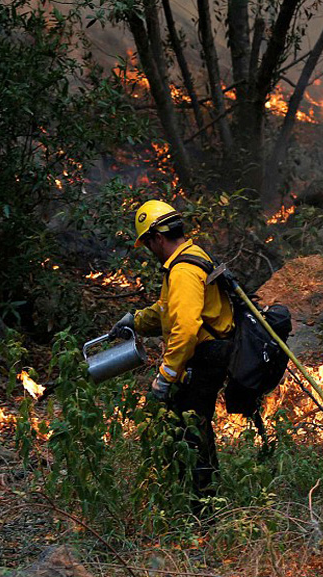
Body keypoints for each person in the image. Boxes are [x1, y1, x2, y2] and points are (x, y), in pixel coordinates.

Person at [110, 200, 234, 501]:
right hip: (209, 353)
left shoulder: (182, 271)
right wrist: (136, 321)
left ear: (157, 238)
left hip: (205, 356)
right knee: (190, 428)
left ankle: (202, 510)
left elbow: (186, 328)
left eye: (148, 243)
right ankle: (197, 499)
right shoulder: (191, 256)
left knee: (190, 431)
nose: (149, 250)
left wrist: (165, 376)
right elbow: (169, 310)